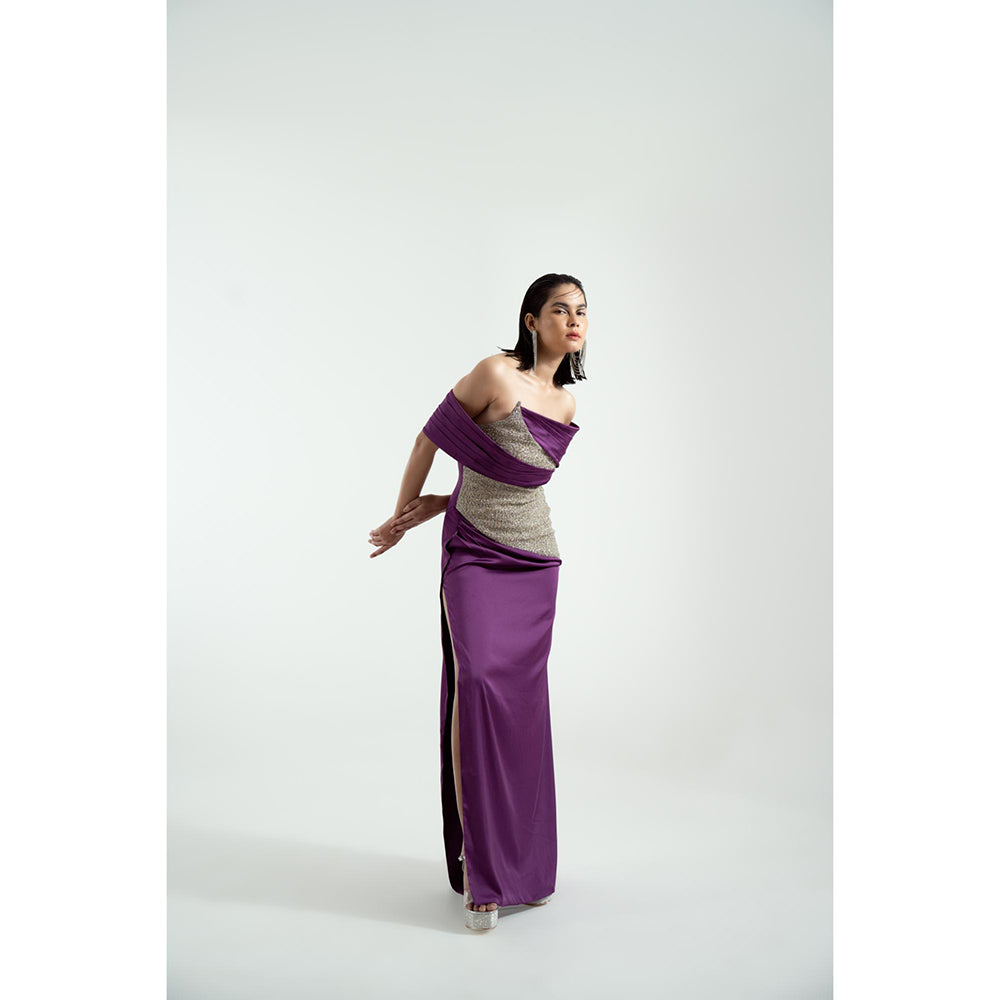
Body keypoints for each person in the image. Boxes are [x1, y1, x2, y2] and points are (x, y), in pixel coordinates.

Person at [368, 274, 588, 930]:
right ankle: (483, 871)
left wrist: (446, 498)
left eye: (581, 311)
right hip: (473, 556)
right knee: (479, 688)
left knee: (524, 712)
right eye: (560, 309)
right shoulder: (494, 374)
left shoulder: (565, 403)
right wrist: (405, 514)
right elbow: (430, 440)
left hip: (535, 563)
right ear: (531, 319)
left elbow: (511, 479)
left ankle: (527, 868)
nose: (574, 320)